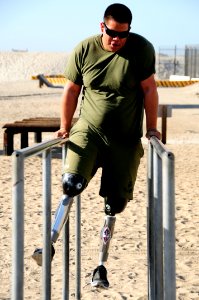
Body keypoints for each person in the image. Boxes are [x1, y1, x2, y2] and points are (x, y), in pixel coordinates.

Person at [32, 3, 161, 288]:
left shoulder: (141, 49)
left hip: (125, 139)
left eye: (123, 35)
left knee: (113, 205)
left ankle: (100, 266)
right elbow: (72, 90)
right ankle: (48, 243)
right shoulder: (85, 49)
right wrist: (65, 126)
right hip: (88, 130)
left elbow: (150, 89)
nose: (117, 40)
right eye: (113, 33)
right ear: (102, 26)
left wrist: (151, 129)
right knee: (71, 183)